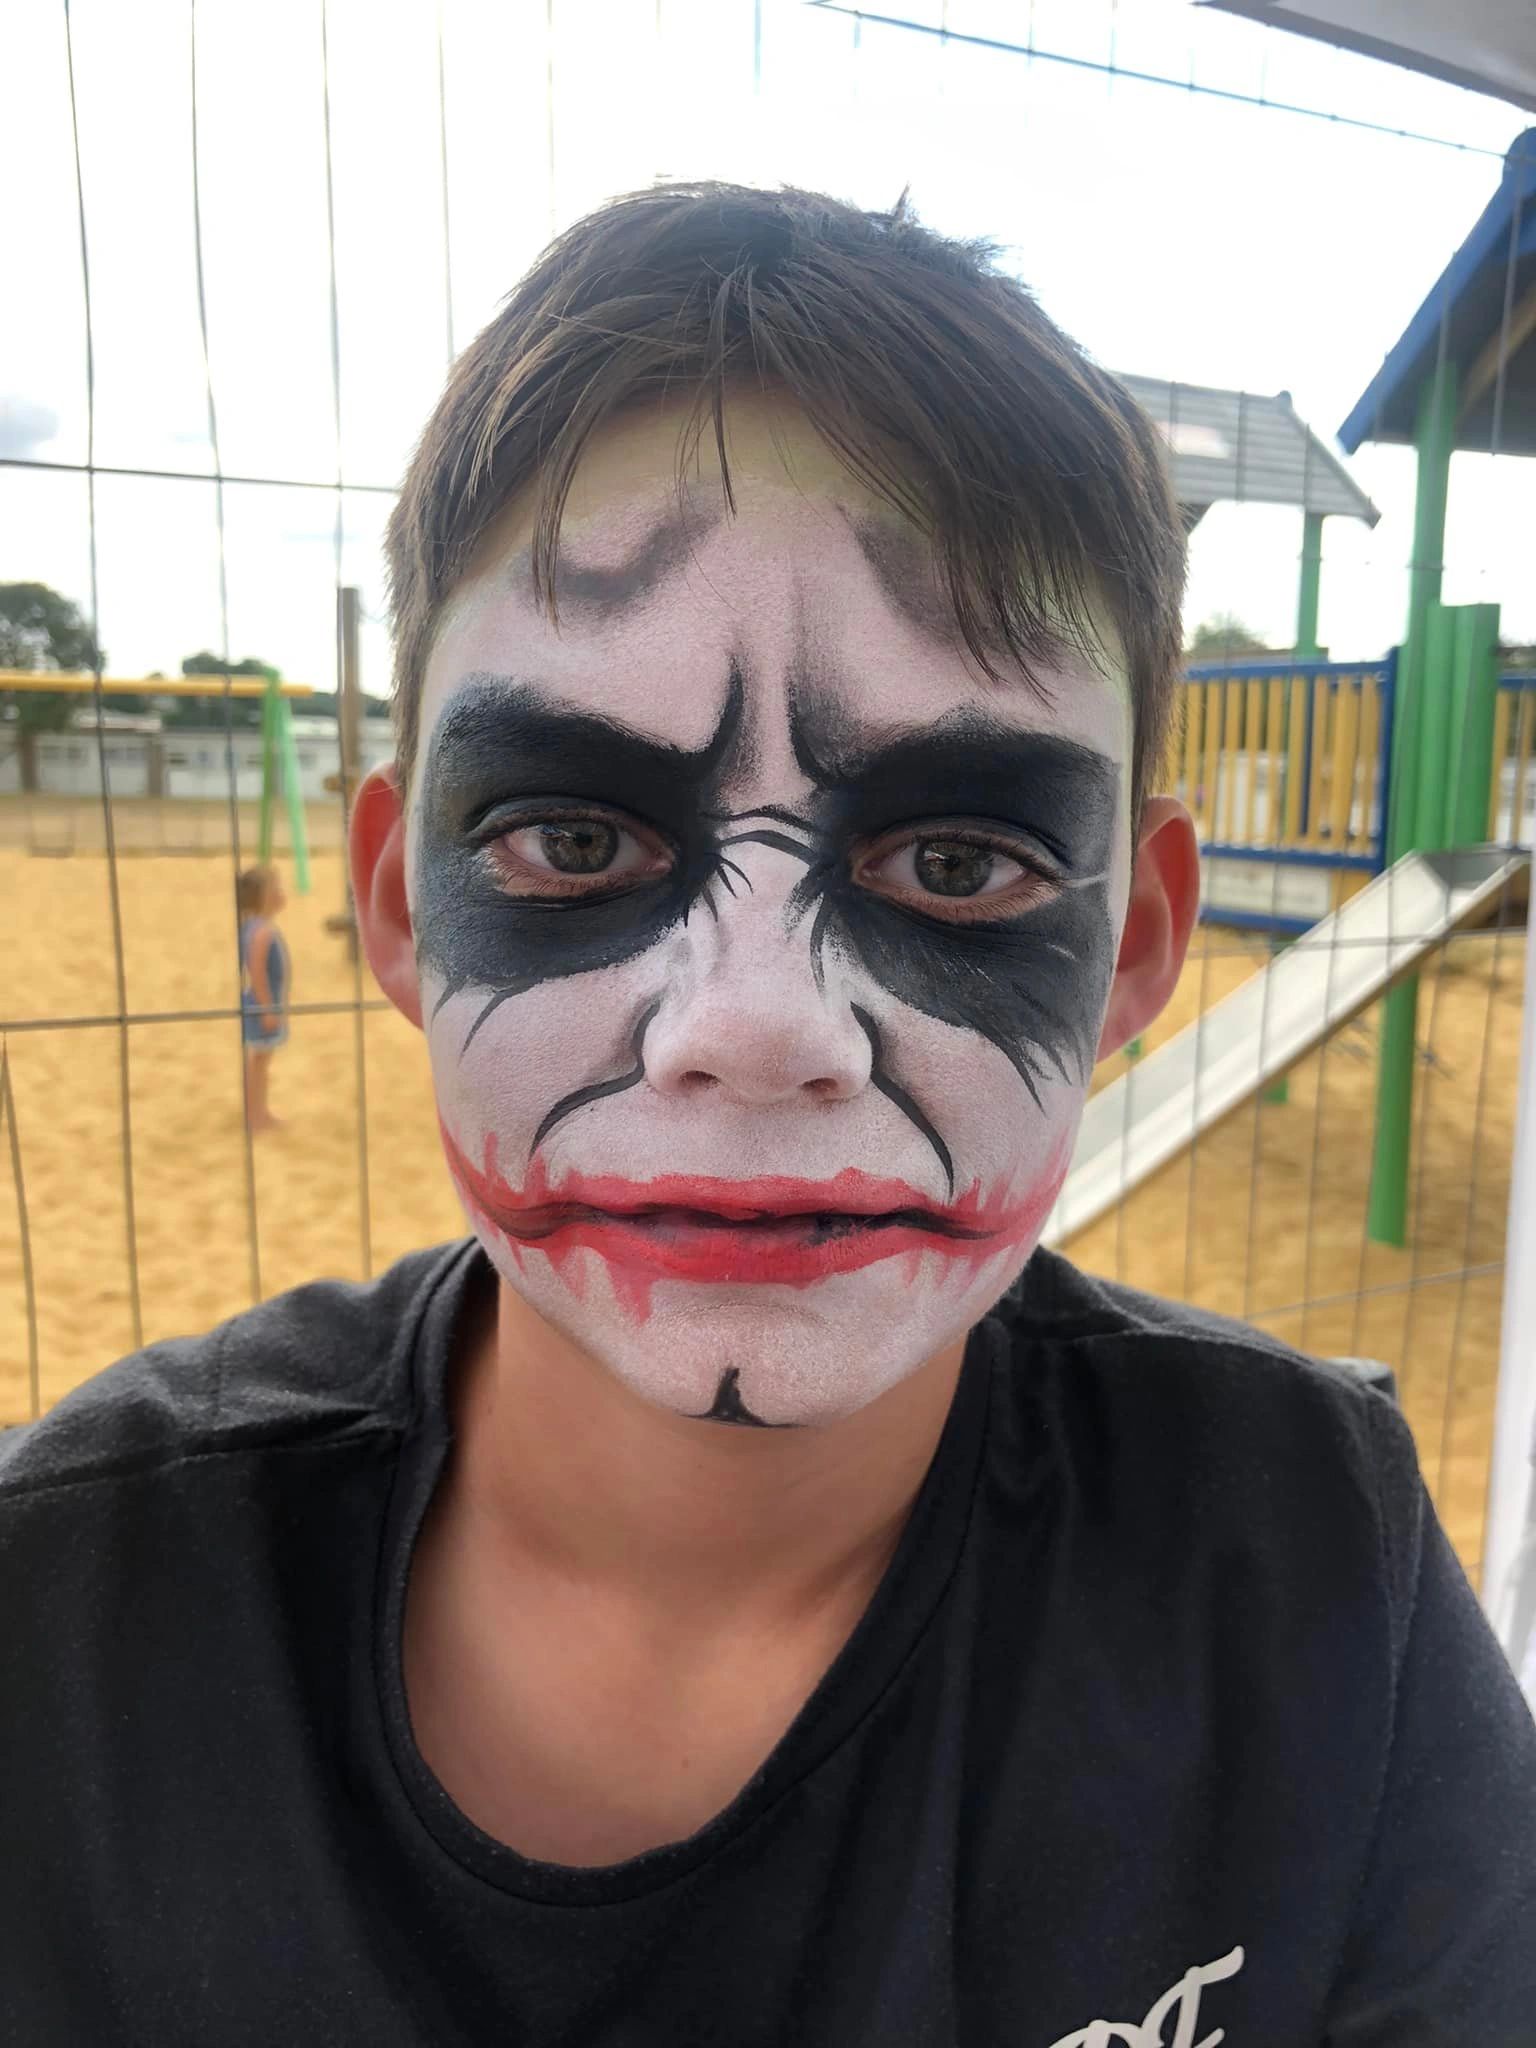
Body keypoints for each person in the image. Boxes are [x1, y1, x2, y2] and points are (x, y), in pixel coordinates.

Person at [2, 183, 1533, 2046]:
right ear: (401, 905)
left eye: (957, 859)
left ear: (1133, 943)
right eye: (574, 837)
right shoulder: (67, 1622)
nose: (754, 1028)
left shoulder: (1311, 1569)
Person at [236, 862, 290, 1133]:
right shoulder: (263, 931)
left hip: (258, 1003)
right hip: (261, 1005)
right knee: (259, 1062)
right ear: (266, 895)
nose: (282, 892)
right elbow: (256, 971)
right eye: (277, 887)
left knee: (259, 1062)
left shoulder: (253, 925)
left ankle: (259, 1112)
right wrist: (268, 1009)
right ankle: (255, 1116)